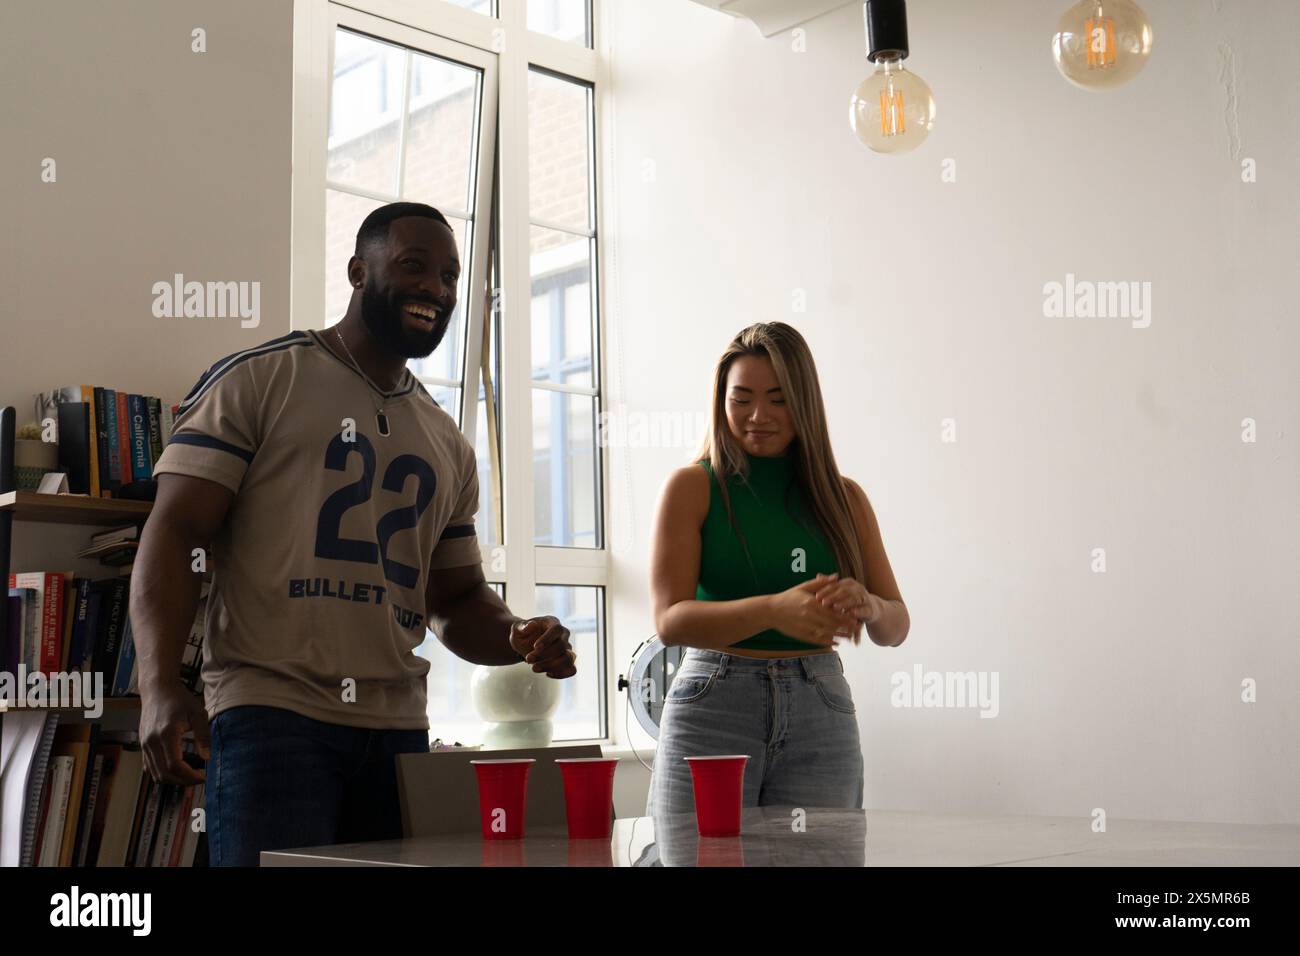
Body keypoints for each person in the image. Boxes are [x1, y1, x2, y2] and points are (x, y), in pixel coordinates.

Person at [132, 202, 576, 866]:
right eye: (413, 266)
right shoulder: (260, 379)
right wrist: (159, 686)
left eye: (450, 277)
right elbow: (174, 535)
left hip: (399, 733)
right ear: (357, 272)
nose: (435, 288)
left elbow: (454, 601)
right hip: (271, 719)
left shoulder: (447, 444)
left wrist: (515, 635)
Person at [646, 321, 908, 816]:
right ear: (720, 400)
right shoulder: (691, 487)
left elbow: (895, 628)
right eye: (740, 399)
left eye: (778, 399)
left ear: (804, 402)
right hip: (712, 706)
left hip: (821, 708)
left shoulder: (845, 499)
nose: (757, 416)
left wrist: (870, 605)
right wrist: (774, 610)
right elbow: (669, 622)